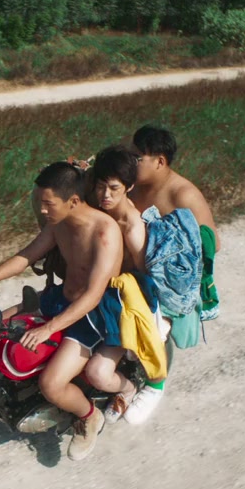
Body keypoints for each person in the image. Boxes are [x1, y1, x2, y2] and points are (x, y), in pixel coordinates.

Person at [0, 161, 124, 461]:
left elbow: (93, 295)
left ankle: (89, 416)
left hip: (91, 315)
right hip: (61, 299)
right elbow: (26, 256)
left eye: (47, 204)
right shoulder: (59, 223)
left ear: (73, 201)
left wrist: (48, 329)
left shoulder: (104, 232)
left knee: (51, 384)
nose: (41, 210)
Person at [122, 124, 223, 422]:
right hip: (128, 269)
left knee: (152, 327)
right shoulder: (132, 183)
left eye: (137, 158)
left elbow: (212, 242)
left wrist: (166, 250)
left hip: (167, 284)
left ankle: (155, 384)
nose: (131, 163)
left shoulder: (183, 195)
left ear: (160, 161)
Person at [78, 144, 172, 425]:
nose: (105, 195)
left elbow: (144, 276)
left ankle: (129, 389)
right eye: (101, 186)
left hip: (116, 302)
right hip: (89, 289)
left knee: (97, 373)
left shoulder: (132, 226)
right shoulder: (95, 205)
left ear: (129, 187)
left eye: (114, 188)